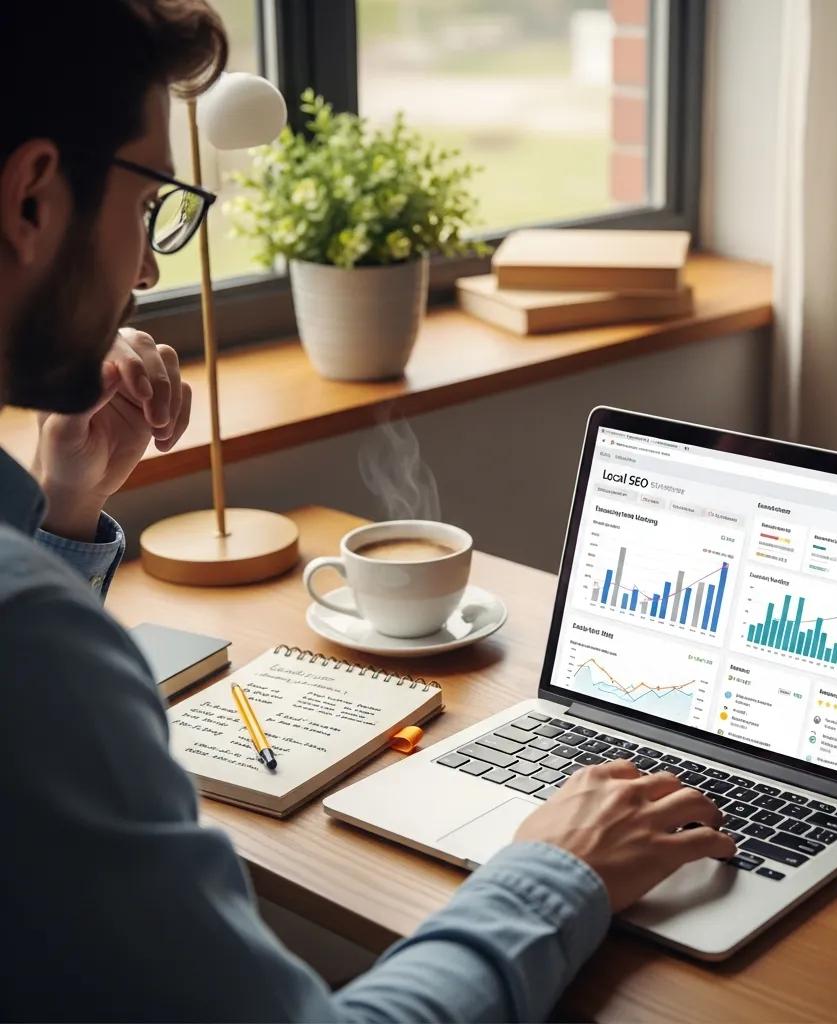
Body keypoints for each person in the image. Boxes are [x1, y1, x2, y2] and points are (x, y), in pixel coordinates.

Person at [0, 3, 735, 1019]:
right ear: (32, 198)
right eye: (150, 201)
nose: (147, 269)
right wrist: (557, 871)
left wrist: (66, 515)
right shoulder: (33, 643)